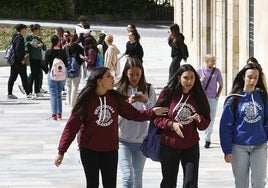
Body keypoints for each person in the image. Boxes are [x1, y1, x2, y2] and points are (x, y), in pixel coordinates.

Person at [54, 67, 168, 188]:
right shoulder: (86, 100)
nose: (113, 78)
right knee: (92, 184)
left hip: (110, 150)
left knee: (110, 184)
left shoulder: (115, 98)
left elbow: (134, 114)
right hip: (89, 149)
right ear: (99, 80)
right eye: (108, 76)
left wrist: (153, 112)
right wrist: (61, 151)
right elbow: (71, 127)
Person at [153, 64, 211, 188]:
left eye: (192, 77)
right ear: (179, 77)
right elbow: (156, 118)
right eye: (186, 77)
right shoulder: (168, 93)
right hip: (169, 144)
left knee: (191, 182)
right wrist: (171, 124)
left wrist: (199, 119)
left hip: (190, 145)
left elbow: (204, 123)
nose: (189, 81)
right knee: (168, 182)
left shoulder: (199, 95)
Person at [219, 62, 268, 188]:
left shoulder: (263, 97)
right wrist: (227, 150)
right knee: (241, 184)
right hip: (239, 147)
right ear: (243, 77)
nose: (252, 80)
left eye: (256, 77)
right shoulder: (234, 99)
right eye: (250, 77)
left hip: (259, 146)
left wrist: (265, 135)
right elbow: (225, 126)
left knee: (259, 182)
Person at [116, 57, 157, 188]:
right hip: (122, 140)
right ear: (126, 73)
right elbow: (113, 116)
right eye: (131, 74)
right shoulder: (119, 90)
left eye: (137, 74)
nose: (134, 78)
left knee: (137, 180)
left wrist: (146, 101)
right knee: (127, 177)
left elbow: (155, 115)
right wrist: (127, 104)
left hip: (141, 141)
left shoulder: (149, 89)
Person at [197, 54, 223, 148]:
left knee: (211, 119)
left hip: (212, 99)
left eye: (214, 61)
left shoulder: (217, 71)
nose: (214, 63)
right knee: (200, 117)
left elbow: (221, 84)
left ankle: (207, 138)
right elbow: (194, 85)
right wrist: (200, 80)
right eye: (212, 61)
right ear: (206, 61)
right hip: (201, 99)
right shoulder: (199, 71)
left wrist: (217, 96)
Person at [7, 24, 35, 100]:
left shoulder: (15, 37)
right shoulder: (20, 38)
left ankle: (9, 93)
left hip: (13, 61)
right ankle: (28, 94)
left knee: (12, 77)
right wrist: (22, 59)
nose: (26, 30)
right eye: (25, 29)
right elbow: (18, 50)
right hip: (19, 62)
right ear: (22, 29)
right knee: (24, 77)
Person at [44, 35, 68, 120]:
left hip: (52, 74)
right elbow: (66, 64)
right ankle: (59, 114)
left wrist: (46, 70)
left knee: (53, 94)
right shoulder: (62, 52)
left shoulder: (49, 52)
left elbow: (44, 64)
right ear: (58, 42)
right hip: (61, 75)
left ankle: (54, 115)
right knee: (59, 95)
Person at [25, 24, 47, 98]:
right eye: (39, 30)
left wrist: (42, 45)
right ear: (35, 30)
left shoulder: (38, 38)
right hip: (32, 58)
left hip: (38, 58)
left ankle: (37, 91)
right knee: (34, 75)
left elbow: (45, 48)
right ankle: (29, 91)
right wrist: (29, 43)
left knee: (37, 75)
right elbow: (24, 44)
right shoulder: (29, 37)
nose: (40, 31)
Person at [64, 33, 84, 107]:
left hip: (67, 68)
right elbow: (82, 58)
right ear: (77, 39)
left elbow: (63, 57)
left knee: (68, 85)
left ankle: (68, 101)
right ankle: (73, 103)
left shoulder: (66, 47)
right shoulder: (79, 47)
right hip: (77, 67)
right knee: (75, 86)